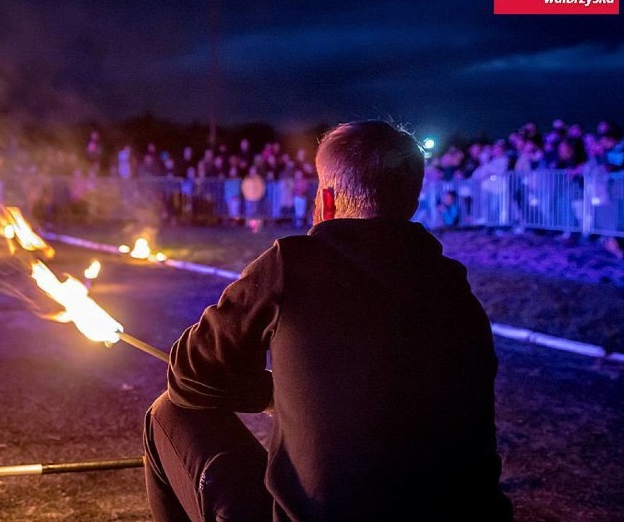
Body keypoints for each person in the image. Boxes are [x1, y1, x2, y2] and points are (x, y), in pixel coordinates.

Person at [143, 120, 512, 522]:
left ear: (329, 200)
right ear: (410, 200)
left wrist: (269, 395)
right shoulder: (455, 291)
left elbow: (190, 376)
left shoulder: (292, 263)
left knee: (166, 414)